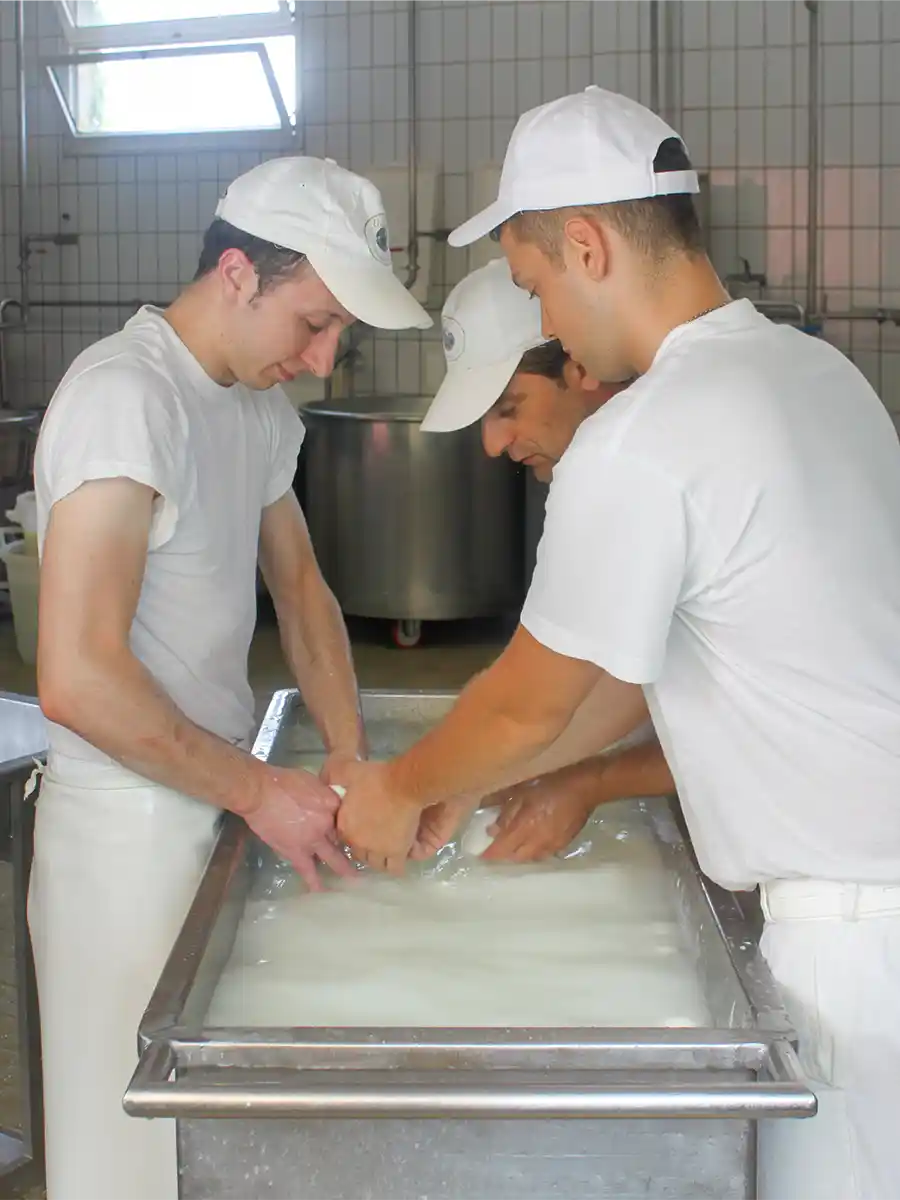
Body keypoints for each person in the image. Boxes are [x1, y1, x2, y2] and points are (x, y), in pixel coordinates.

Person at [332, 88, 900, 1200]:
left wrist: (401, 788)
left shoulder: (649, 433)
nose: (549, 320)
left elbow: (530, 701)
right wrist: (489, 780)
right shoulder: (817, 373)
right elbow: (608, 687)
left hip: (860, 935)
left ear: (586, 245)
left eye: (537, 284)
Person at [29, 155, 431, 1200]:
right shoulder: (127, 399)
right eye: (315, 323)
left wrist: (347, 764)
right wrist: (260, 792)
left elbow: (301, 593)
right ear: (239, 274)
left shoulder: (250, 408)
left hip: (206, 805)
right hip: (121, 841)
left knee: (202, 1154)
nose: (324, 358)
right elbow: (75, 676)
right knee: (127, 1153)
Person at [417, 257, 675, 863]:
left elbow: (525, 707)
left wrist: (405, 787)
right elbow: (627, 682)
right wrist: (476, 777)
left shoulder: (635, 463)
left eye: (508, 407)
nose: (491, 444)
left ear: (578, 366)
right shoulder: (641, 447)